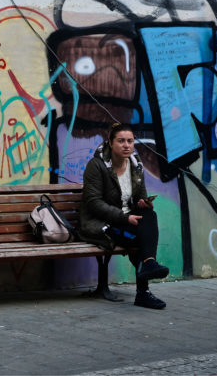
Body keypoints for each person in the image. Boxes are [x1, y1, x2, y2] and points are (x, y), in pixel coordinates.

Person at [80, 123, 169, 310]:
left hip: (125, 219)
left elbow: (139, 197)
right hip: (101, 224)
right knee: (139, 240)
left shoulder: (135, 164)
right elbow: (93, 203)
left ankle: (149, 264)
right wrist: (124, 217)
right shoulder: (96, 166)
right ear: (111, 143)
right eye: (121, 141)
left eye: (130, 141)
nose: (126, 145)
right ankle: (144, 289)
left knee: (148, 214)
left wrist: (143, 203)